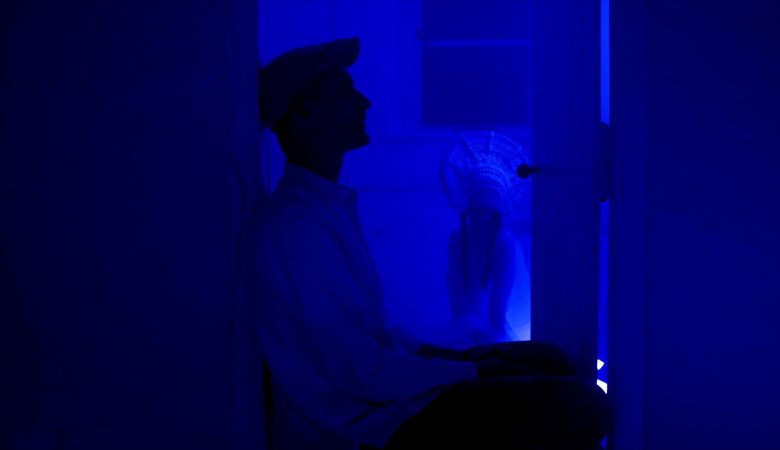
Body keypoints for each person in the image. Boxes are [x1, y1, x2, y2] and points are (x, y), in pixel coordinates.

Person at [236, 36, 609, 450]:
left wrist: (460, 358)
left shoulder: (326, 208)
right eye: (345, 94)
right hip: (367, 423)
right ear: (305, 112)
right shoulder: (298, 226)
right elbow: (362, 371)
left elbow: (376, 332)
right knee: (586, 407)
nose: (364, 103)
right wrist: (471, 371)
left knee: (548, 358)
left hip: (383, 400)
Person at [435, 131, 533, 349]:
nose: (481, 220)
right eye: (477, 212)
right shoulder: (457, 239)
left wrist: (492, 340)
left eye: (487, 213)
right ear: (468, 209)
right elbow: (455, 291)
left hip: (503, 324)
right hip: (470, 326)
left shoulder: (504, 242)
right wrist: (468, 330)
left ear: (496, 213)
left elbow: (500, 298)